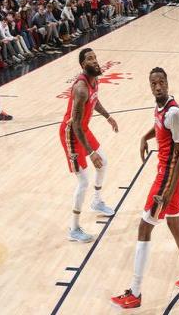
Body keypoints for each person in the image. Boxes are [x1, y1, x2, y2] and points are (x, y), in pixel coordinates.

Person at [111, 68, 179, 309]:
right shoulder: (161, 108)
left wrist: (168, 191)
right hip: (168, 174)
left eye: (161, 82)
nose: (158, 86)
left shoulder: (173, 113)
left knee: (144, 228)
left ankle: (135, 292)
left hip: (167, 176)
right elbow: (160, 127)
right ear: (150, 86)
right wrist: (145, 137)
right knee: (173, 223)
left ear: (167, 83)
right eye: (154, 83)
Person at [59, 48, 118, 243]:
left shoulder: (94, 79)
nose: (95, 61)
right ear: (83, 64)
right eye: (90, 59)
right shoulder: (81, 88)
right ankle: (74, 229)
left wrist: (108, 116)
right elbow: (75, 124)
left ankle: (97, 201)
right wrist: (91, 152)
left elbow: (95, 100)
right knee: (83, 182)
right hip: (71, 133)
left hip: (83, 129)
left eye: (95, 57)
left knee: (104, 162)